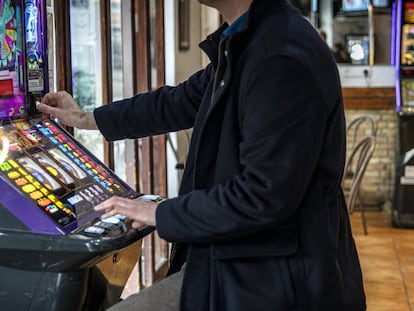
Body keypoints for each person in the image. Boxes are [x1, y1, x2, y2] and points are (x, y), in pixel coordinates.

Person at [37, 0, 366, 310]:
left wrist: (162, 213)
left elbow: (261, 196)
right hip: (245, 264)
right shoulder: (250, 38)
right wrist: (86, 119)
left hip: (272, 280)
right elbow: (176, 102)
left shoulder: (278, 58)